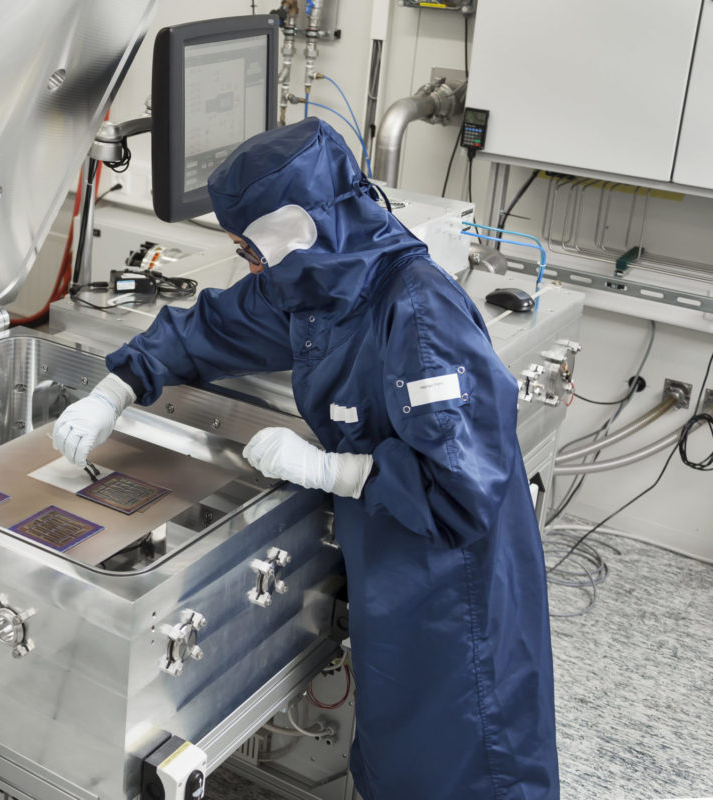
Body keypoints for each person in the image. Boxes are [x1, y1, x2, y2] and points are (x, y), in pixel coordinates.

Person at [51, 118, 559, 800]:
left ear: (291, 231)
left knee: (464, 762)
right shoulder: (313, 285)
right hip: (389, 566)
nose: (249, 266)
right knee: (393, 755)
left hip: (453, 588)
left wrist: (328, 470)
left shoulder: (416, 312)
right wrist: (114, 390)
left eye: (249, 250)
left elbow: (462, 490)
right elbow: (210, 327)